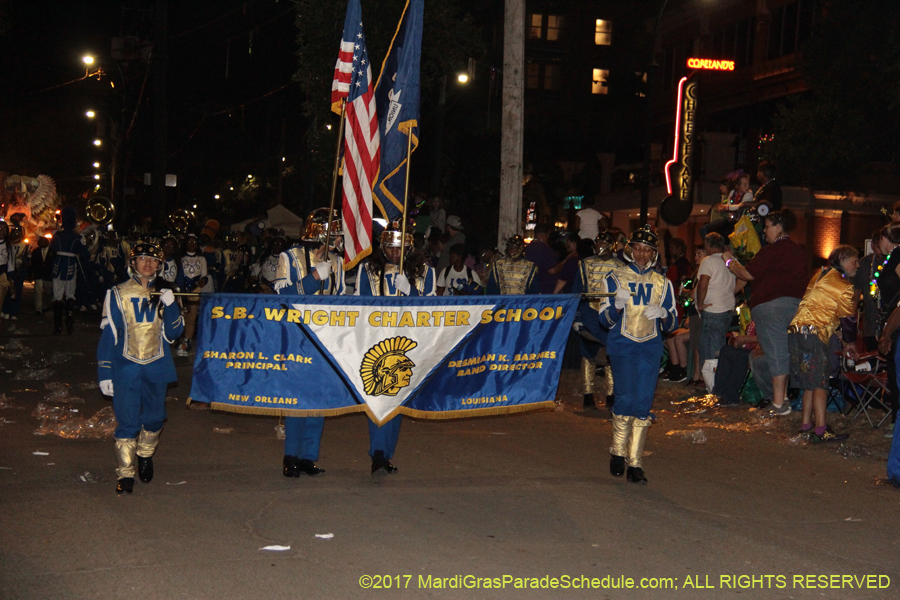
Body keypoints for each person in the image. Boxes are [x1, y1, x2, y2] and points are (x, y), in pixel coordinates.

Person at [97, 242, 184, 494]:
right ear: (132, 263)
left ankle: (145, 454)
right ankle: (125, 473)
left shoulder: (166, 292)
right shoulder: (116, 293)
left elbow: (175, 332)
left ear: (160, 265)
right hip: (126, 367)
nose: (148, 263)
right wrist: (105, 371)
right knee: (127, 421)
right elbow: (108, 335)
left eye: (153, 259)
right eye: (142, 258)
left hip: (157, 364)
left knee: (156, 417)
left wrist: (170, 305)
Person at [598, 225, 678, 484]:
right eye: (638, 249)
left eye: (647, 250)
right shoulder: (613, 277)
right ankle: (618, 452)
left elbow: (674, 322)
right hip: (622, 345)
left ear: (654, 254)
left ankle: (635, 462)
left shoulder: (663, 283)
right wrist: (617, 306)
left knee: (643, 402)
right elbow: (604, 318)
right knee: (625, 397)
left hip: (650, 347)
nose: (642, 255)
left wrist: (665, 315)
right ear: (630, 250)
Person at [356, 227, 436, 476]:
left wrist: (410, 291)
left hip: (409, 340)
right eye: (389, 247)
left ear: (408, 249)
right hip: (377, 339)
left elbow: (432, 309)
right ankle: (378, 452)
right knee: (378, 394)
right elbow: (360, 305)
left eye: (398, 248)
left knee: (397, 398)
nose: (393, 252)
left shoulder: (425, 271)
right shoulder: (367, 269)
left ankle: (384, 452)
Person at [273, 209, 344, 478]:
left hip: (325, 335)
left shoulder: (337, 261)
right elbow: (282, 295)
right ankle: (291, 455)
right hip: (296, 335)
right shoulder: (289, 257)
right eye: (334, 234)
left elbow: (340, 300)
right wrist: (314, 279)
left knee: (320, 397)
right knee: (297, 398)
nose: (338, 240)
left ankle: (307, 456)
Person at [725, 209, 808, 416]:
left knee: (775, 353)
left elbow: (746, 273)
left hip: (771, 307)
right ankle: (784, 400)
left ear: (779, 227)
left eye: (768, 226)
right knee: (784, 352)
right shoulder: (799, 252)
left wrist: (729, 261)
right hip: (795, 306)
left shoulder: (772, 251)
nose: (764, 232)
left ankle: (779, 403)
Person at [788, 245, 859, 443]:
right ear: (844, 260)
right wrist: (850, 342)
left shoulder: (820, 275)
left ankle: (805, 425)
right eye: (855, 261)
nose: (857, 265)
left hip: (797, 331)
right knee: (820, 382)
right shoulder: (843, 285)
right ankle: (821, 428)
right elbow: (848, 318)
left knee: (809, 382)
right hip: (814, 333)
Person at [573, 230, 623, 409]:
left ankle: (610, 395)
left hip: (611, 313)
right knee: (588, 355)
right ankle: (588, 394)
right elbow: (577, 291)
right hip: (589, 312)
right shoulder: (584, 264)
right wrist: (577, 316)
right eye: (598, 243)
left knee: (610, 355)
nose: (599, 247)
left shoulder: (620, 266)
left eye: (603, 243)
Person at [695, 232, 737, 380]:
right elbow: (742, 279)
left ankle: (712, 385)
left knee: (708, 350)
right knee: (719, 347)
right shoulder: (730, 260)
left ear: (708, 245)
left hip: (713, 309)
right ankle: (719, 381)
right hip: (727, 309)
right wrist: (730, 292)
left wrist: (700, 303)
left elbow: (703, 284)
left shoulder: (708, 261)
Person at [49, 206, 90, 335]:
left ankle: (57, 327)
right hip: (71, 266)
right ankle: (69, 322)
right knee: (70, 295)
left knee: (57, 296)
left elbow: (52, 251)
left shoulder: (57, 236)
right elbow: (86, 254)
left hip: (58, 265)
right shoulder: (76, 237)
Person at [177, 234, 209, 356]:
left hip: (195, 289)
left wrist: (201, 282)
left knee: (192, 316)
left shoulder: (201, 259)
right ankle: (181, 338)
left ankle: (187, 341)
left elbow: (204, 276)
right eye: (189, 242)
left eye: (194, 242)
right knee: (182, 315)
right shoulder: (180, 258)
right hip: (181, 289)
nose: (192, 244)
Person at [0, 222, 16, 330]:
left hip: (2, 275)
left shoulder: (9, 246)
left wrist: (11, 281)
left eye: (5, 229)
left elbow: (10, 264)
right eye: (0, 229)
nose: (2, 231)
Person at [31, 236, 52, 315]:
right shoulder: (36, 251)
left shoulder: (52, 252)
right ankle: (38, 308)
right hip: (39, 273)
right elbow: (32, 263)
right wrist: (31, 273)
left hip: (48, 274)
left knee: (48, 291)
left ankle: (45, 305)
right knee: (38, 291)